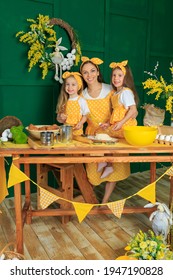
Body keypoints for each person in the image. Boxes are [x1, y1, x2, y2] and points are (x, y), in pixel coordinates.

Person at [80, 56, 130, 205]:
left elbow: (121, 107)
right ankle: (90, 198)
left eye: (92, 71)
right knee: (93, 172)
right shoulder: (82, 95)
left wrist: (118, 122)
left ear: (98, 72)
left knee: (115, 168)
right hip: (92, 135)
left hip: (111, 133)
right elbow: (78, 115)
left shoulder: (110, 89)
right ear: (82, 75)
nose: (89, 75)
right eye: (85, 72)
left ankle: (105, 200)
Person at [98, 60, 139, 178]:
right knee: (102, 133)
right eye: (114, 75)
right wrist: (108, 123)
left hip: (125, 126)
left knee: (107, 138)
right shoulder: (116, 93)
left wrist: (121, 123)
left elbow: (132, 110)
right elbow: (115, 113)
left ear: (126, 78)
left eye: (120, 75)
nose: (116, 78)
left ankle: (107, 163)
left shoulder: (125, 92)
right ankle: (107, 163)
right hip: (118, 125)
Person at [56, 71, 90, 136]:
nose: (70, 87)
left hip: (77, 130)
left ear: (78, 86)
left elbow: (85, 115)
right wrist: (61, 117)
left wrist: (81, 123)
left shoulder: (81, 100)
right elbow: (59, 118)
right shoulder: (64, 100)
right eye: (67, 84)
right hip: (65, 131)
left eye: (73, 85)